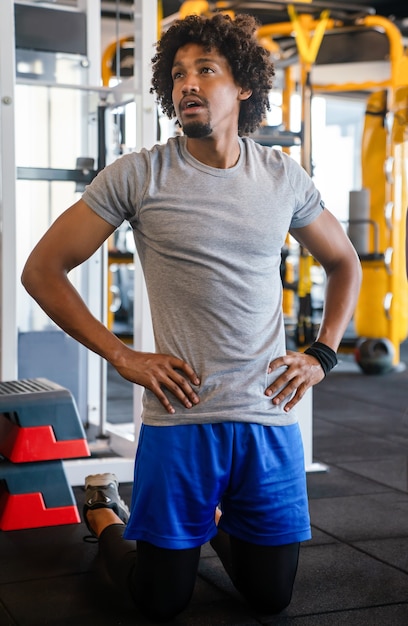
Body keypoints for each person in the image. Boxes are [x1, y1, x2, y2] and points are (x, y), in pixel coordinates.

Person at [21, 12, 362, 623]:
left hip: (267, 417)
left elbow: (344, 262)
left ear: (244, 87)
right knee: (161, 599)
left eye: (206, 69)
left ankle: (208, 517)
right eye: (178, 74)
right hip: (181, 420)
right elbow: (42, 270)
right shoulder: (139, 173)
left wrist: (323, 353)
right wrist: (123, 354)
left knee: (271, 597)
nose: (187, 84)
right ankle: (103, 509)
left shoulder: (282, 176)